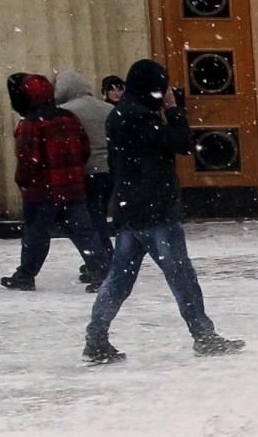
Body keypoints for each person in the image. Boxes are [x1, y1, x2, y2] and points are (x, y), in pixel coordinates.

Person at [85, 60, 243, 364]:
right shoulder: (141, 118)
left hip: (129, 210)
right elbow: (182, 142)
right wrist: (173, 109)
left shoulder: (119, 115)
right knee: (180, 275)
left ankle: (95, 338)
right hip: (156, 210)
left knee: (119, 279)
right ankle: (203, 335)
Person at [3, 74, 108, 290]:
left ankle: (26, 275)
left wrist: (22, 181)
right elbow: (84, 150)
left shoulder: (30, 124)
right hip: (72, 188)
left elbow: (27, 161)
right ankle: (101, 271)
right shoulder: (69, 117)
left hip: (42, 193)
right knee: (84, 233)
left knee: (36, 235)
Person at [57, 64, 113, 284]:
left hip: (88, 171)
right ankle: (103, 257)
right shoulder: (107, 108)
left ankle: (104, 260)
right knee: (99, 214)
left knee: (92, 219)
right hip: (110, 170)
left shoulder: (67, 112)